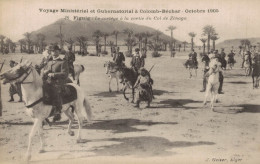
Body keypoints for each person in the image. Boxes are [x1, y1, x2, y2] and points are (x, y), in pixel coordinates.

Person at [42, 45, 69, 122]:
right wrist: (44, 72)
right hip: (48, 81)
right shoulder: (49, 62)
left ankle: (57, 112)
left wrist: (54, 74)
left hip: (58, 82)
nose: (54, 53)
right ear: (50, 52)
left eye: (56, 51)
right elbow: (45, 70)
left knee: (55, 91)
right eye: (53, 51)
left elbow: (65, 73)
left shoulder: (63, 62)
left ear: (59, 52)